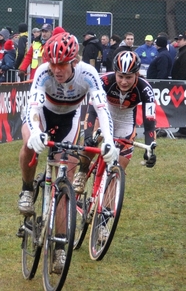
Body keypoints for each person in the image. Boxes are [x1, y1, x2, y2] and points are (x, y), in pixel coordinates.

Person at [18, 32, 118, 271]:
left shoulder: (88, 74)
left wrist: (110, 141)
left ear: (74, 61)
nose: (56, 69)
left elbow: (102, 110)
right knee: (29, 146)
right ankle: (27, 189)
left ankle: (60, 249)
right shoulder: (43, 72)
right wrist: (35, 132)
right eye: (52, 64)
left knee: (66, 182)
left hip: (68, 119)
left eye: (61, 64)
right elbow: (33, 107)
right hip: (42, 114)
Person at [73, 51, 156, 194]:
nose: (124, 81)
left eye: (129, 77)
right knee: (90, 145)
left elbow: (149, 121)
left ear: (136, 74)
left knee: (118, 172)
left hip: (126, 124)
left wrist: (150, 148)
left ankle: (105, 210)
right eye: (120, 76)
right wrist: (87, 136)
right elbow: (92, 111)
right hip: (103, 117)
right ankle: (82, 172)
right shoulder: (104, 80)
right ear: (115, 73)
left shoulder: (145, 88)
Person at [171, 32, 186, 138]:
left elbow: (183, 70)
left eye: (180, 39)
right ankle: (182, 128)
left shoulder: (184, 53)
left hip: (182, 84)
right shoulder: (180, 52)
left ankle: (183, 129)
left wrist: (179, 82)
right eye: (177, 39)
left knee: (183, 107)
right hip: (179, 84)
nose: (177, 41)